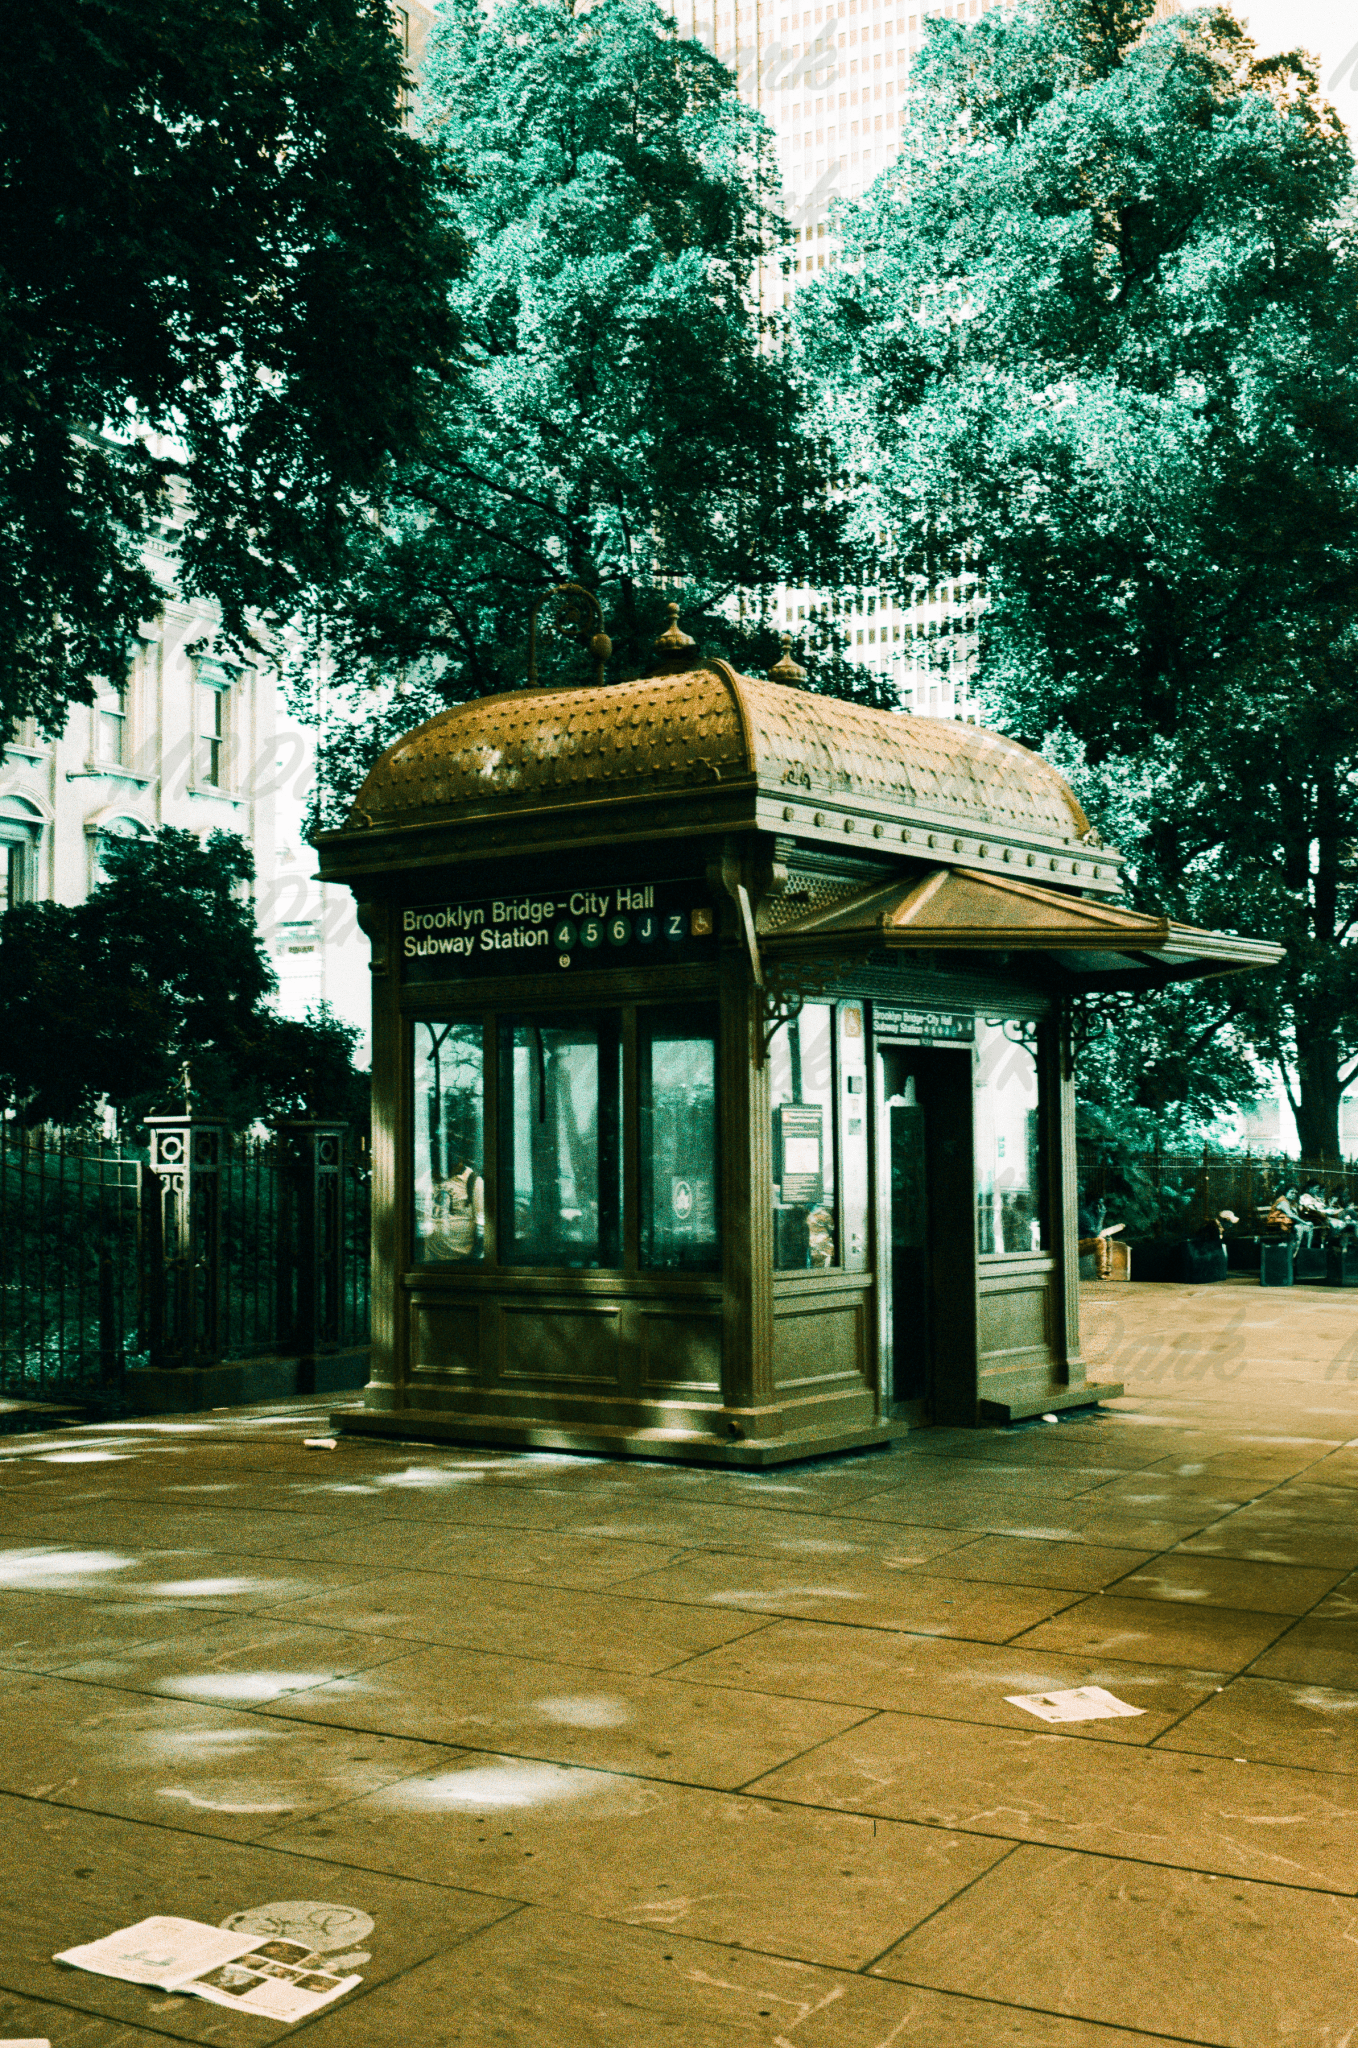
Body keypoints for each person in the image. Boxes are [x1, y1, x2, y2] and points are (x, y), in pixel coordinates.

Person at [426, 1129, 484, 1260]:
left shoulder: (473, 1181)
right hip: (431, 1262)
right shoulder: (429, 1178)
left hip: (461, 1263)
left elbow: (483, 1225)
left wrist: (474, 1259)